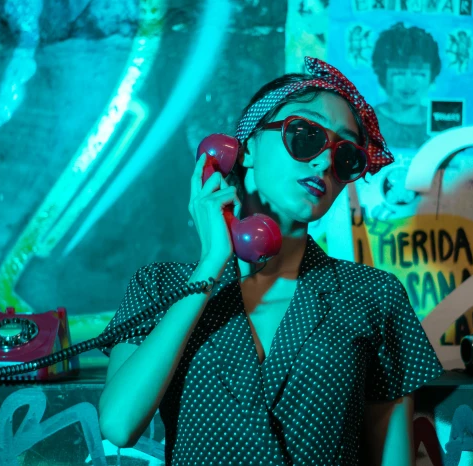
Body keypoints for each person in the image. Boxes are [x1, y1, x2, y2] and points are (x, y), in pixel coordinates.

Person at [97, 57, 444, 466]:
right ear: (245, 149)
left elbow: (393, 459)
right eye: (306, 134)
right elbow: (119, 424)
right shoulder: (159, 286)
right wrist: (210, 264)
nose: (323, 162)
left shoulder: (373, 296)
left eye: (346, 155)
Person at [371, 22, 442, 150]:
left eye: (418, 74)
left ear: (431, 77)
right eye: (399, 73)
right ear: (383, 76)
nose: (409, 83)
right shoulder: (367, 121)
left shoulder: (439, 121)